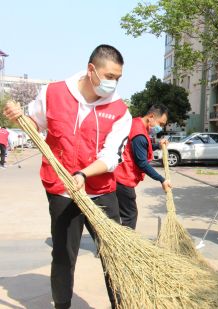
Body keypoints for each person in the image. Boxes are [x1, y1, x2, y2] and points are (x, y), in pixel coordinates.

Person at [3, 44, 132, 309]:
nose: (113, 84)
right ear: (91, 70)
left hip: (100, 192)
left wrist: (84, 173)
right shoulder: (53, 92)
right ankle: (62, 305)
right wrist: (19, 117)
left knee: (115, 255)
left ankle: (122, 305)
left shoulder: (120, 110)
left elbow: (112, 157)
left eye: (118, 78)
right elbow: (36, 123)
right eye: (109, 77)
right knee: (63, 255)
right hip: (61, 191)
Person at [114, 104, 172, 229]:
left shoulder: (135, 122)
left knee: (123, 213)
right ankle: (126, 245)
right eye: (160, 124)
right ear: (151, 117)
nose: (160, 128)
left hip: (118, 176)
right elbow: (142, 163)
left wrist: (158, 145)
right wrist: (161, 179)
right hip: (123, 178)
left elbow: (142, 147)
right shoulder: (139, 134)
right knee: (130, 215)